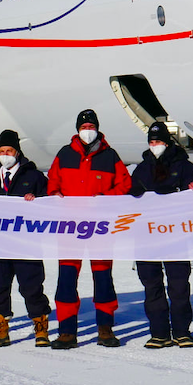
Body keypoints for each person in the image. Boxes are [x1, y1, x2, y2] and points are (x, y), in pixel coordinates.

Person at [46, 109, 132, 349]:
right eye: (83, 128)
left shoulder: (110, 155)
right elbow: (52, 182)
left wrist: (105, 197)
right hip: (70, 228)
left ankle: (105, 329)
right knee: (66, 279)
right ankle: (66, 332)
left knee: (103, 277)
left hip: (100, 229)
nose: (87, 131)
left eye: (91, 127)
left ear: (97, 129)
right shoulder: (64, 154)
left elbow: (125, 184)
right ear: (77, 130)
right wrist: (54, 194)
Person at [0, 129, 50, 347]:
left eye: (9, 150)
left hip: (26, 244)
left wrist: (37, 200)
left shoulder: (34, 176)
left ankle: (40, 325)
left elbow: (49, 204)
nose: (5, 154)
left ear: (17, 152)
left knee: (31, 286)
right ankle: (0, 327)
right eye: (1, 151)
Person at [129, 121, 193, 348]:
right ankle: (159, 332)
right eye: (151, 142)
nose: (155, 145)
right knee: (152, 286)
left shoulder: (185, 166)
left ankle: (182, 331)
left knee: (178, 286)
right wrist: (133, 192)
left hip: (175, 235)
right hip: (146, 237)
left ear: (167, 143)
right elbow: (129, 193)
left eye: (158, 141)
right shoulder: (141, 168)